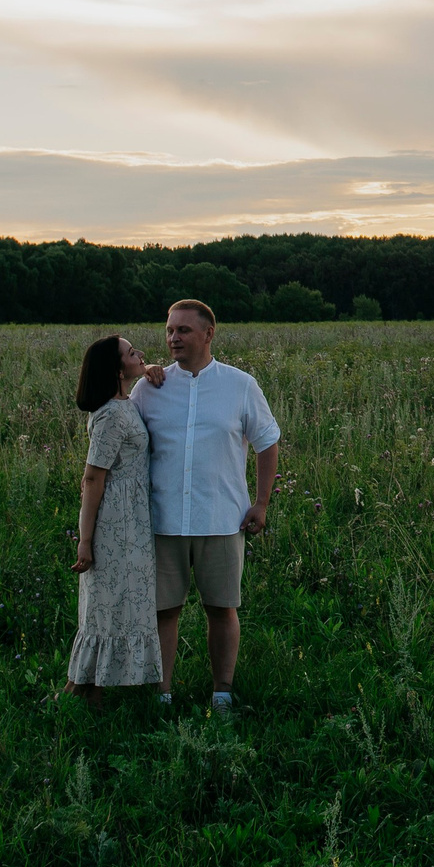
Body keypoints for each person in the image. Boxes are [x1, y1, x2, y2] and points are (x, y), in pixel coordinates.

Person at [129, 298, 281, 718]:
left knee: (221, 607)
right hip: (163, 519)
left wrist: (261, 502)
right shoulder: (151, 388)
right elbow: (119, 420)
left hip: (221, 517)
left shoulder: (240, 385)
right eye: (170, 330)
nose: (174, 338)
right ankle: (162, 694)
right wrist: (140, 371)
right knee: (165, 610)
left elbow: (267, 442)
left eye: (184, 330)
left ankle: (223, 693)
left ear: (209, 334)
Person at [64, 334, 163, 705]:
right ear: (117, 367)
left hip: (134, 520)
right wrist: (85, 539)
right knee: (108, 605)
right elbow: (92, 477)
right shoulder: (109, 414)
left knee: (123, 603)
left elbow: (145, 376)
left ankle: (100, 687)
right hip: (115, 523)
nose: (140, 354)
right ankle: (85, 691)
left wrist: (148, 370)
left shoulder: (126, 402)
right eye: (131, 353)